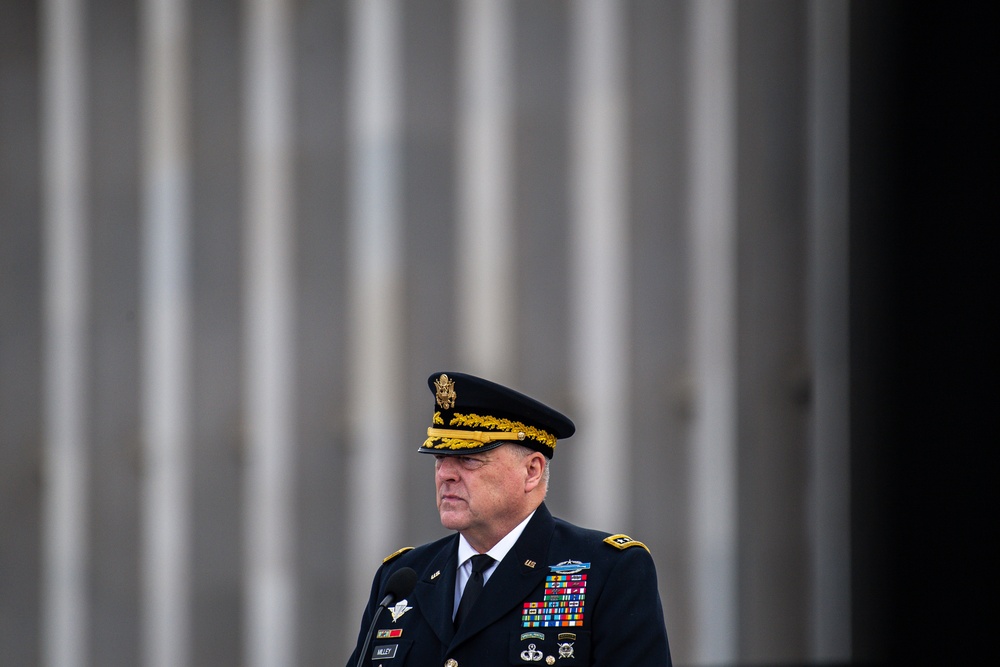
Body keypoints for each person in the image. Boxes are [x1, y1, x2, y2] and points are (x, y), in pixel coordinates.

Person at [346, 371, 672, 666]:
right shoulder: (403, 578)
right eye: (440, 458)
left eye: (468, 459)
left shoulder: (609, 571)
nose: (445, 474)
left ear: (531, 471)